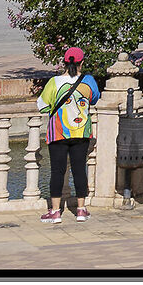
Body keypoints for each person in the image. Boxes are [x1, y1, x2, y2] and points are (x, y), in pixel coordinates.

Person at [38, 47, 99, 222]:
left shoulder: (54, 82)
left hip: (58, 132)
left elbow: (41, 105)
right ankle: (81, 209)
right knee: (79, 169)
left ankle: (55, 211)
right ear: (82, 63)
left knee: (57, 171)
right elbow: (94, 99)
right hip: (81, 133)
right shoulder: (89, 81)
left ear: (64, 63)